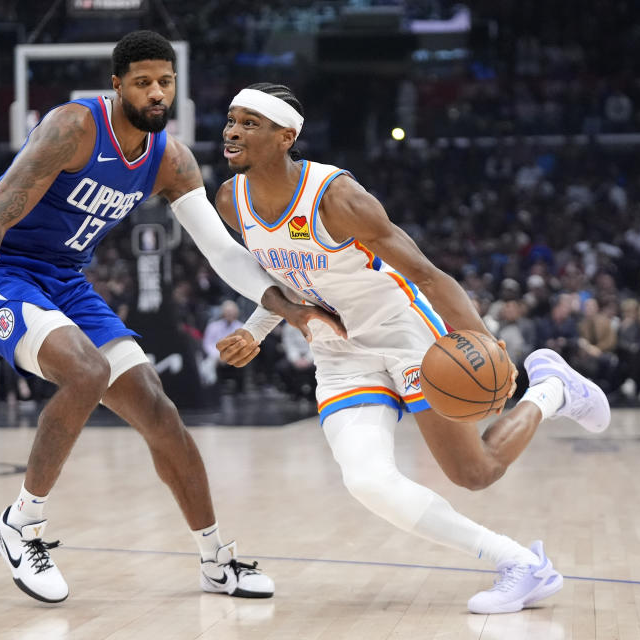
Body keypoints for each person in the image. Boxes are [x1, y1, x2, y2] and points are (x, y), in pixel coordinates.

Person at [0, 33, 343, 605]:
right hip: (1, 273)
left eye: (165, 82)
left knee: (160, 413)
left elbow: (222, 252)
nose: (156, 94)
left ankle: (215, 560)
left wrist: (285, 307)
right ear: (117, 86)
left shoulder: (172, 160)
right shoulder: (73, 128)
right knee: (86, 373)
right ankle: (20, 523)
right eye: (142, 83)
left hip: (65, 281)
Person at [213, 83, 611, 614]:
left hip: (405, 334)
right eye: (232, 120)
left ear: (286, 136)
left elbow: (427, 272)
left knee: (476, 473)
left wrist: (485, 345)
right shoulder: (230, 201)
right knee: (367, 482)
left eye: (250, 123)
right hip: (339, 351)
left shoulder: (336, 197)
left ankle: (553, 389)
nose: (232, 131)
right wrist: (257, 328)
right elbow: (283, 275)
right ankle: (522, 564)